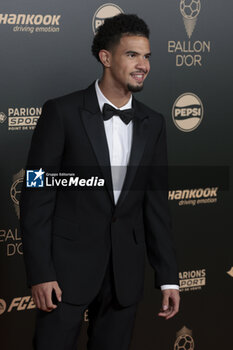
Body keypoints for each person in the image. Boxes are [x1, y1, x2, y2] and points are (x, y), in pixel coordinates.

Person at [20, 13, 180, 350]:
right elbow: (36, 195)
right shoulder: (62, 112)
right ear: (105, 58)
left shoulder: (154, 122)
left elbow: (156, 204)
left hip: (125, 273)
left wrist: (168, 277)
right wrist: (40, 272)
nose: (143, 65)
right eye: (132, 55)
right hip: (64, 273)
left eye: (147, 56)